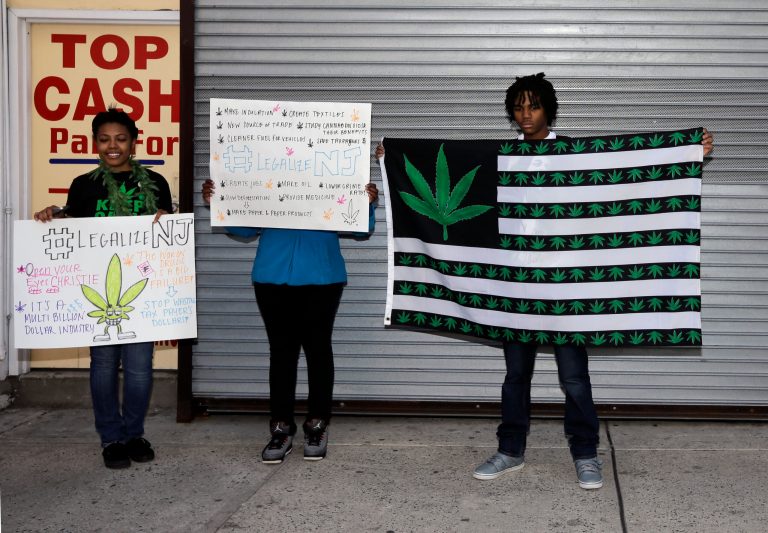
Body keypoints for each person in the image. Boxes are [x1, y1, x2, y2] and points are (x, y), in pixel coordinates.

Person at [377, 73, 714, 489]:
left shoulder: (574, 156)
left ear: (549, 109)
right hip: (512, 292)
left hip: (564, 293)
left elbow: (625, 173)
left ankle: (586, 452)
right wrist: (390, 157)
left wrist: (686, 152)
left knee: (574, 376)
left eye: (533, 106)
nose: (525, 115)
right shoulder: (496, 158)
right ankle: (510, 450)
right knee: (515, 375)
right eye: (518, 107)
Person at [201, 177, 378, 463]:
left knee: (318, 350)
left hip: (322, 274)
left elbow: (361, 230)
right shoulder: (267, 167)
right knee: (281, 354)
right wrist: (220, 202)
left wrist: (365, 203)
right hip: (273, 274)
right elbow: (244, 229)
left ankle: (317, 424)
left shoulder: (331, 171)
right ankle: (281, 427)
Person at [34, 108, 173, 469]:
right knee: (104, 365)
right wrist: (53, 217)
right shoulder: (83, 185)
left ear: (134, 141)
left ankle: (134, 433)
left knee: (141, 368)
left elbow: (169, 238)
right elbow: (72, 230)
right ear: (95, 143)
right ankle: (110, 437)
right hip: (97, 291)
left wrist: (170, 221)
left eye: (121, 138)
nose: (113, 146)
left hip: (142, 291)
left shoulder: (156, 183)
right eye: (105, 139)